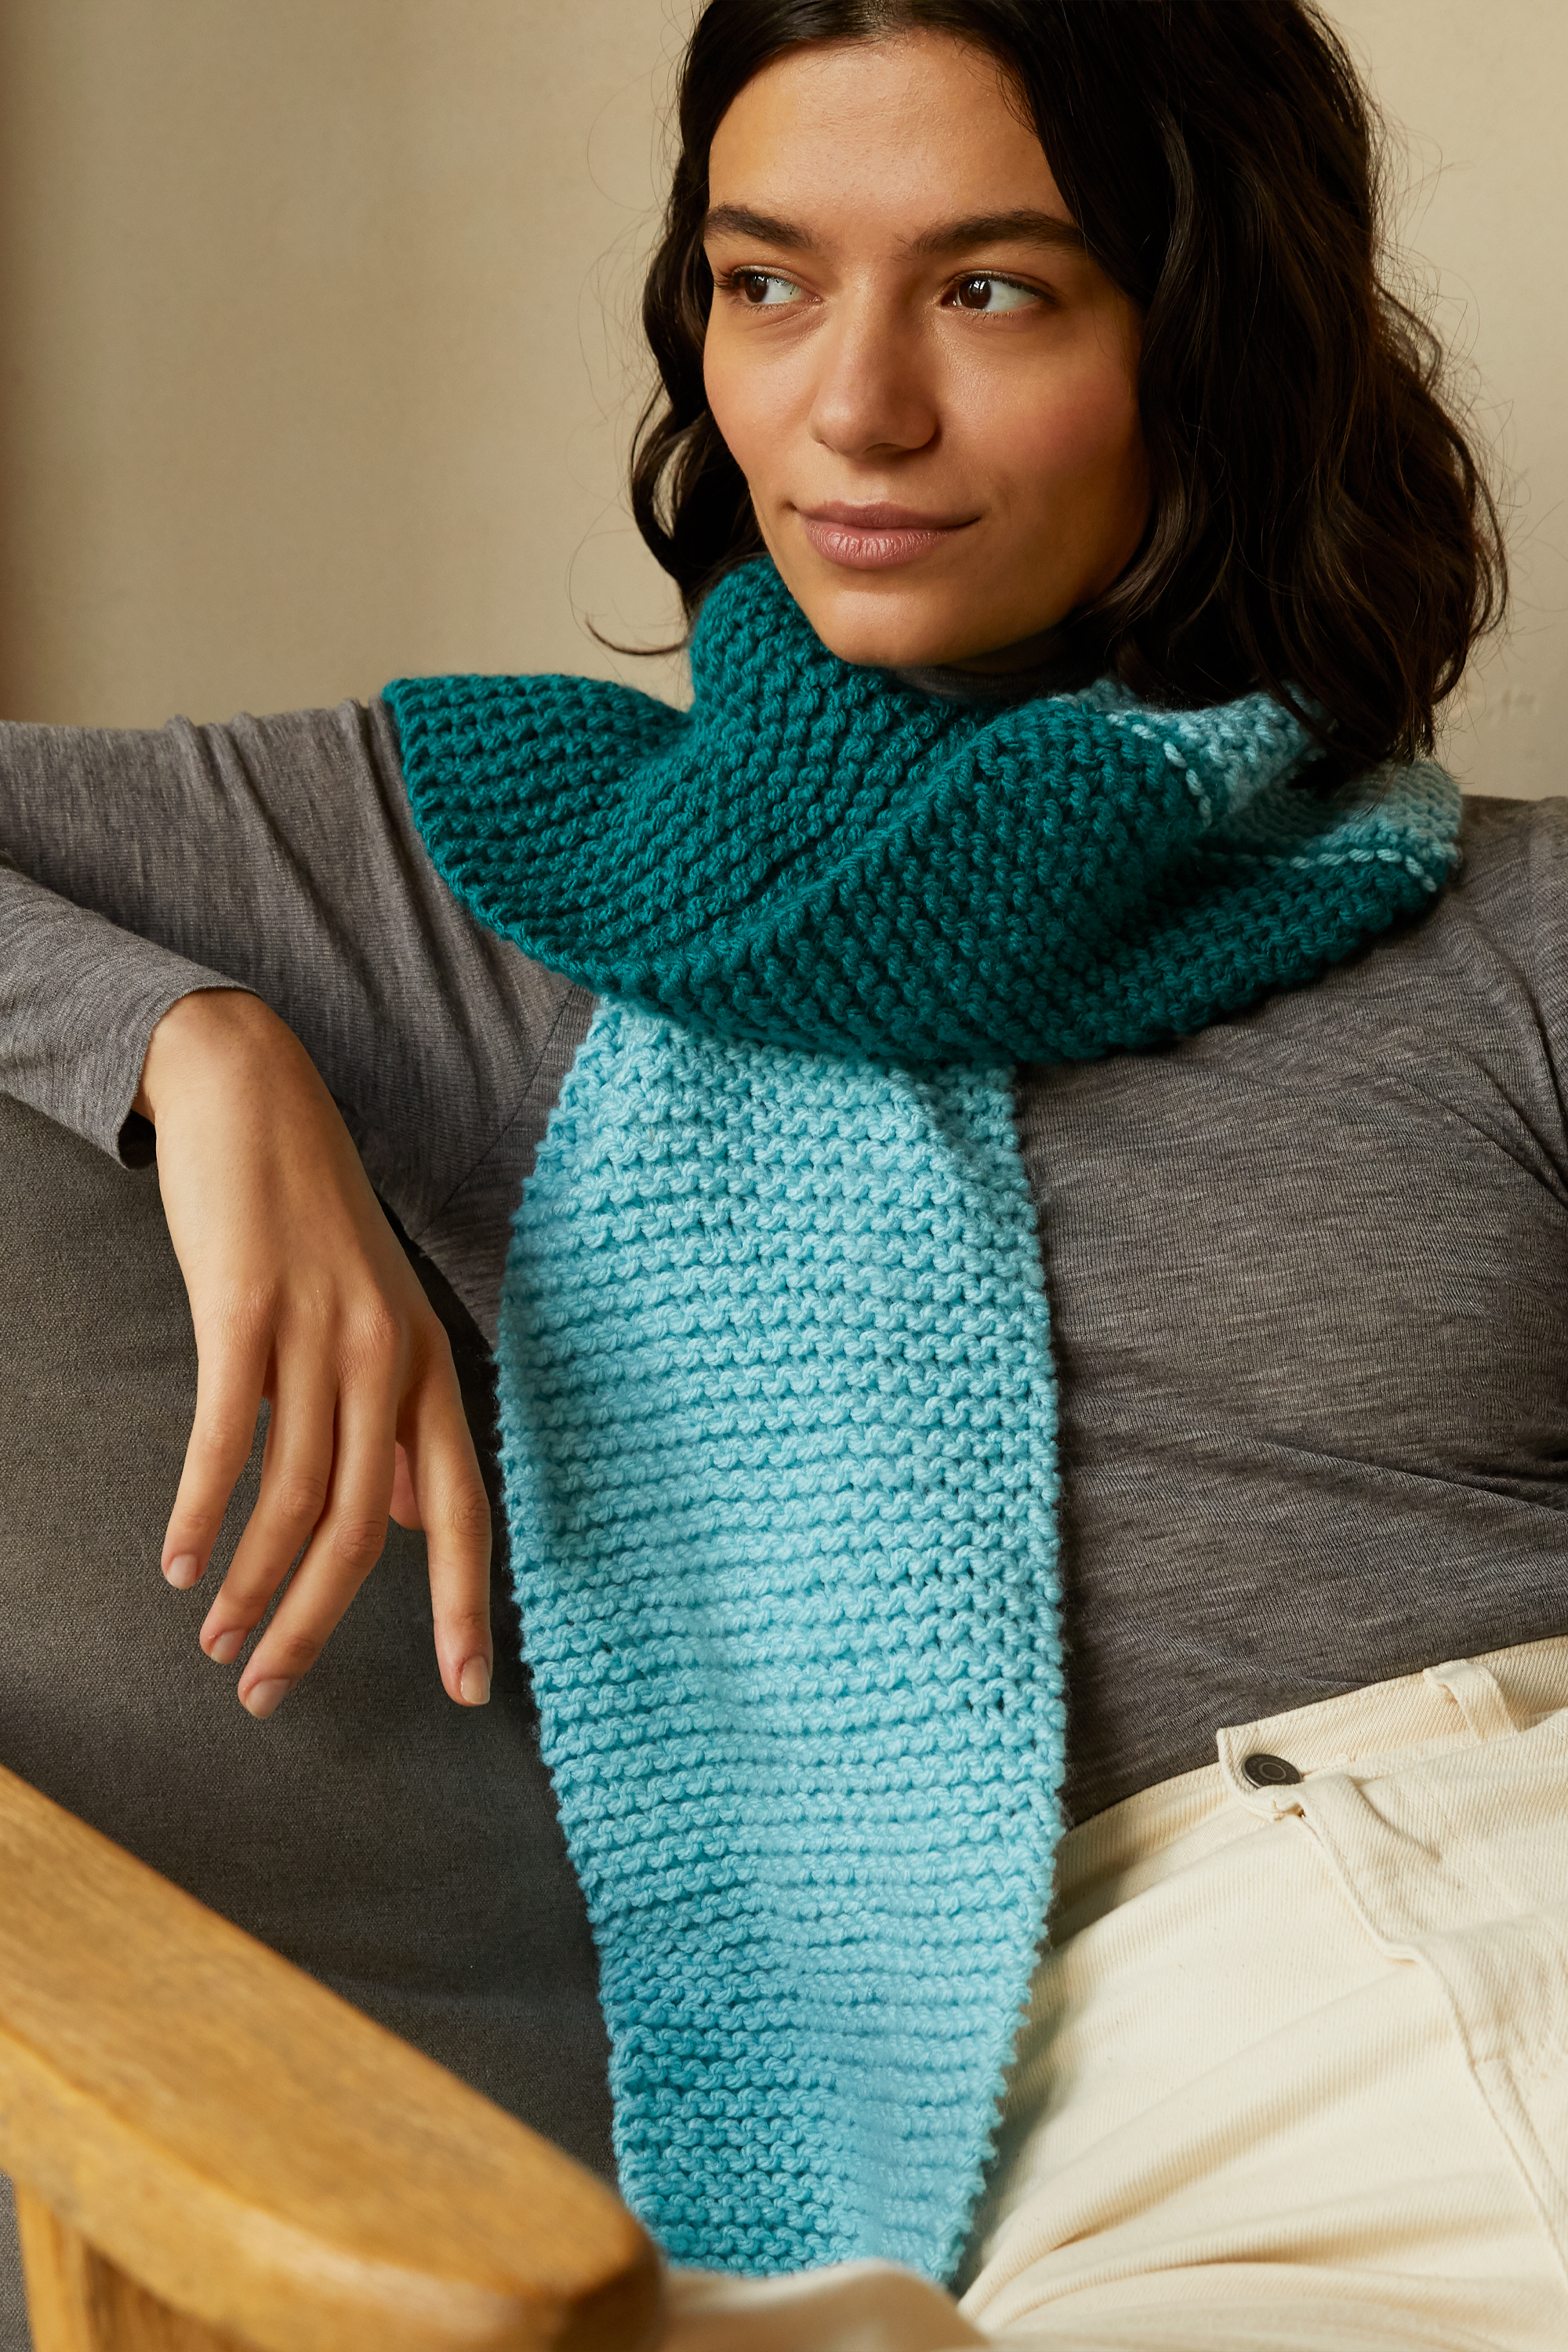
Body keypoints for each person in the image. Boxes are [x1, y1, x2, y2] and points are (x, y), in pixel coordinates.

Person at [1, 3, 1564, 2347]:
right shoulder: (491, 874)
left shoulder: (1510, 928)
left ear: (1209, 341)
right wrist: (185, 1046)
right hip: (1142, 2142)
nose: (856, 408)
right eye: (768, 281)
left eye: (993, 288)